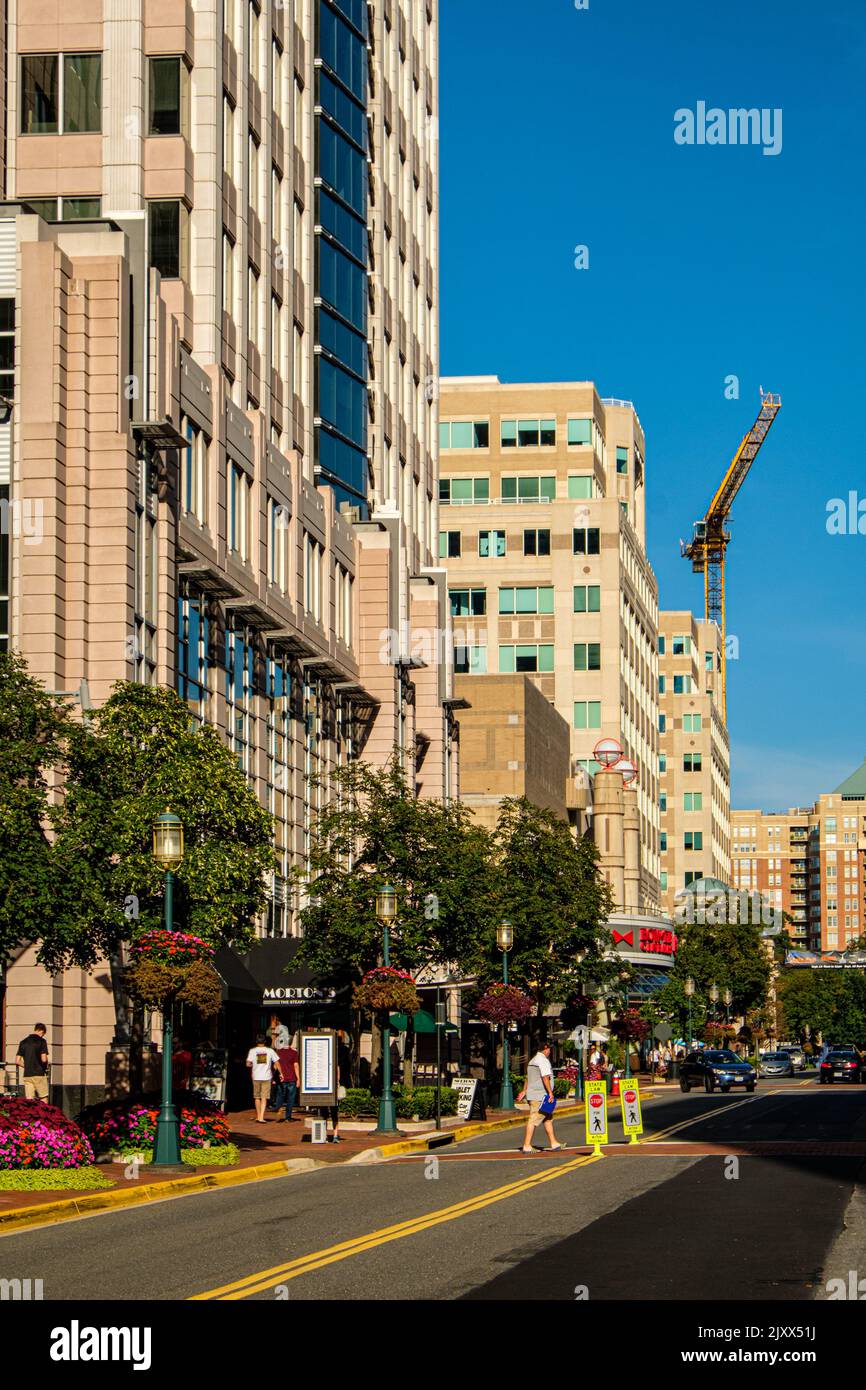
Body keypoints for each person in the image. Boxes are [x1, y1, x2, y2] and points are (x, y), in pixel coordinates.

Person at [516, 1041, 565, 1154]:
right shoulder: (542, 1061)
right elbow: (545, 1077)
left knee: (547, 1118)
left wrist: (524, 1090)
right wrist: (550, 1093)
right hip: (540, 1096)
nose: (550, 1051)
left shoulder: (532, 1060)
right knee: (534, 1119)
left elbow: (528, 1078)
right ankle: (527, 1145)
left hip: (534, 1094)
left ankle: (554, 1143)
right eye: (549, 1049)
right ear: (545, 1049)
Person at [246, 1032, 283, 1123]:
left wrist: (253, 1064)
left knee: (257, 1097)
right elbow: (277, 1062)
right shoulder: (270, 1051)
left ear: (256, 1041)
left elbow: (248, 1064)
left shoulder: (252, 1051)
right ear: (265, 1041)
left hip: (256, 1076)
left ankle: (258, 1116)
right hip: (267, 1076)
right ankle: (262, 1116)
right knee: (264, 1097)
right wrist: (281, 1073)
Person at [16, 1023, 49, 1101]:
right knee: (43, 1097)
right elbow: (44, 1059)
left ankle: (31, 1113)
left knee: (29, 1100)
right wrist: (45, 1067)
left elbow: (17, 1061)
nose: (42, 1036)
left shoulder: (23, 1042)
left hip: (27, 1074)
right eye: (43, 1034)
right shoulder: (42, 1041)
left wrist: (27, 1066)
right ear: (41, 1031)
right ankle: (44, 1113)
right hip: (39, 1073)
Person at [274, 1035, 300, 1122]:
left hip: (281, 1078)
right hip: (292, 1078)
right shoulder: (294, 1053)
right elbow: (296, 1066)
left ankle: (279, 1107)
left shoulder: (278, 1052)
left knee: (280, 1095)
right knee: (291, 1098)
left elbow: (275, 1066)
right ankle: (288, 1117)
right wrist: (298, 1078)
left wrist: (274, 1077)